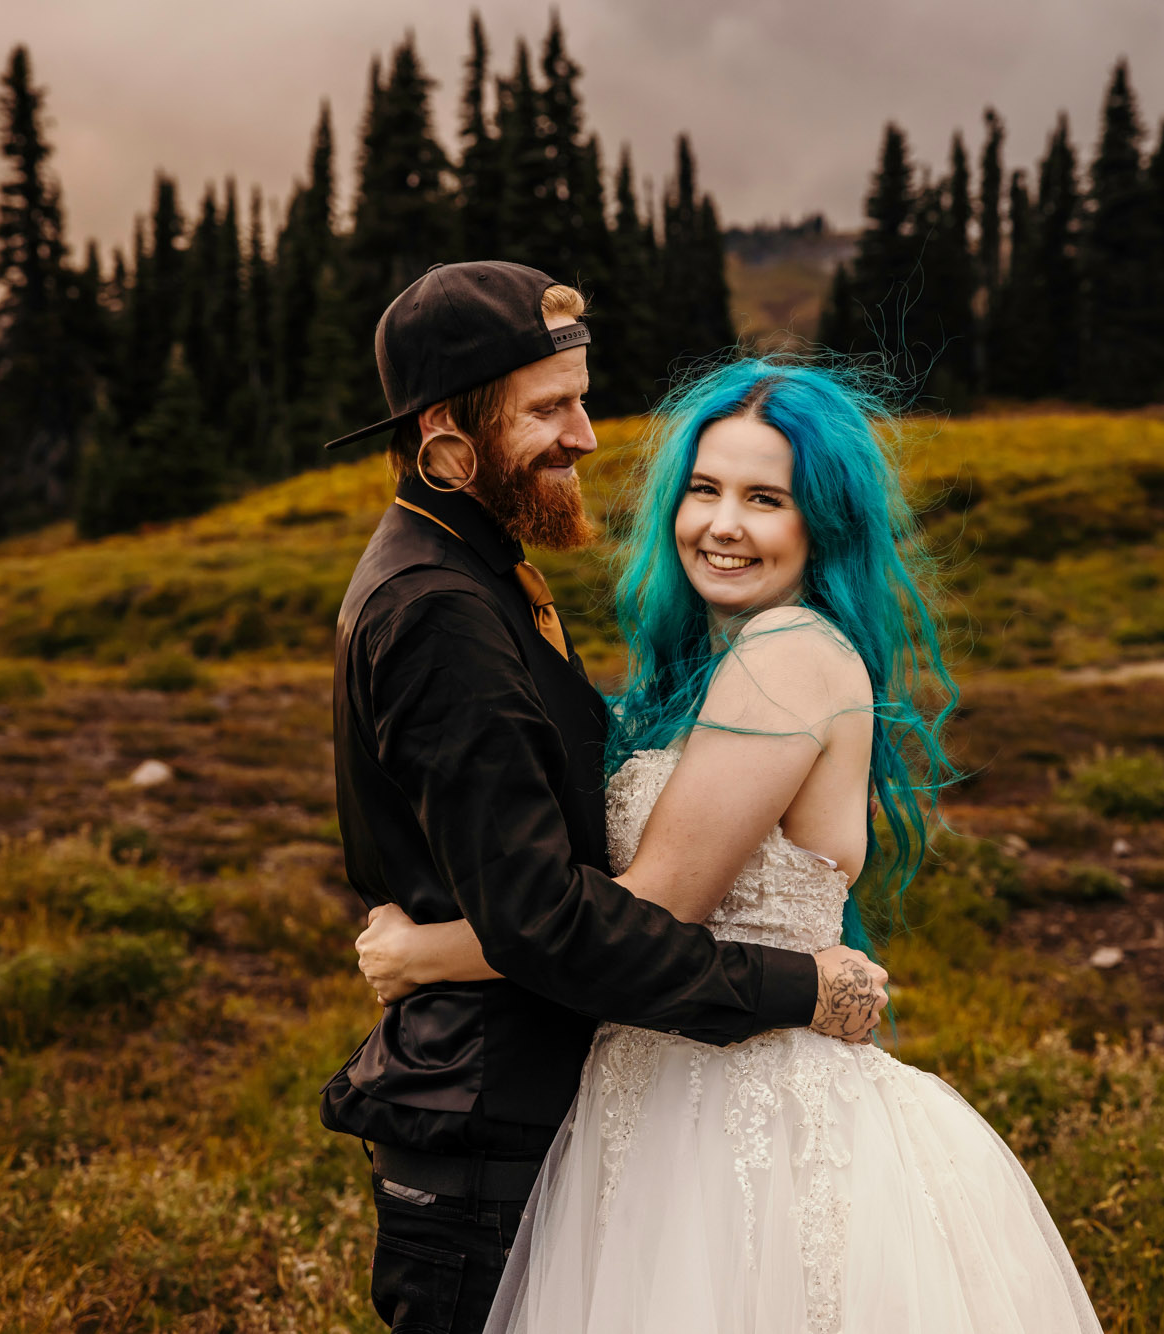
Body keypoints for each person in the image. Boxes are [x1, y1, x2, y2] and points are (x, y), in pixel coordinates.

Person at [356, 358, 1106, 1333]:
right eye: (703, 489)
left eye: (765, 498)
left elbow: (651, 904)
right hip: (671, 1085)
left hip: (736, 1114)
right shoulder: (729, 658)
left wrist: (424, 950)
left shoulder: (786, 657)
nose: (722, 523)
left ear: (821, 524)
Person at [322, 262, 892, 1334]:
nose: (585, 435)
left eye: (580, 398)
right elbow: (549, 918)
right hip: (488, 1116)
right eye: (549, 408)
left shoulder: (485, 571)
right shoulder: (442, 604)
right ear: (448, 431)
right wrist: (796, 985)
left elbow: (567, 897)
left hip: (609, 1110)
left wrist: (428, 950)